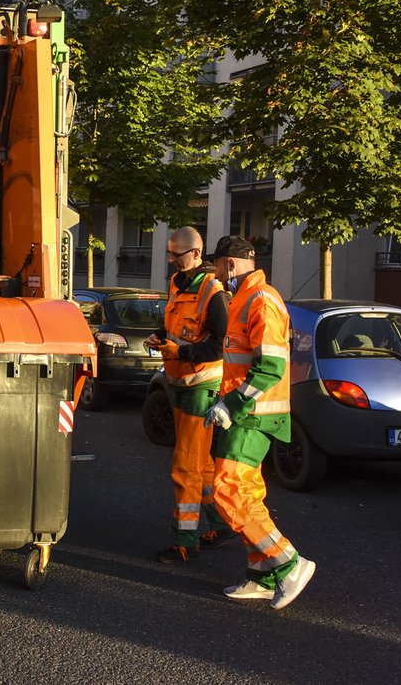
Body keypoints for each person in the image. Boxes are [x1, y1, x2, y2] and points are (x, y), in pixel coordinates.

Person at [204, 235, 315, 610]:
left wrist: (230, 404)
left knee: (227, 490)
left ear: (230, 265)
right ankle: (262, 575)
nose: (215, 273)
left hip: (252, 415)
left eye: (217, 266)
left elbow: (270, 367)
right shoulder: (246, 299)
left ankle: (287, 561)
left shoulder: (261, 301)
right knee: (245, 494)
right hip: (246, 413)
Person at [144, 227, 236, 564]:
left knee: (186, 465)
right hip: (180, 382)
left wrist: (178, 353)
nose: (170, 261)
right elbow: (171, 328)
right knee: (202, 464)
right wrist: (157, 338)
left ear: (197, 254)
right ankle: (220, 524)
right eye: (168, 254)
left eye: (176, 255)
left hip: (201, 386)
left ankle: (185, 541)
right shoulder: (177, 284)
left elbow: (219, 346)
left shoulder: (214, 292)